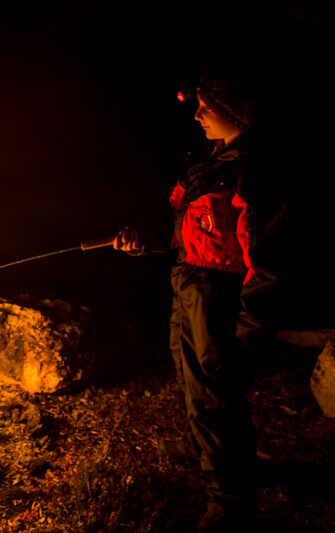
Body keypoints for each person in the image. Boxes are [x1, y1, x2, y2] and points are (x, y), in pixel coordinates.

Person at [114, 64, 264, 531]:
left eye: (205, 108)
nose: (197, 115)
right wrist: (151, 239)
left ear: (232, 111)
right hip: (190, 282)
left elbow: (269, 263)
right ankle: (204, 449)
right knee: (189, 374)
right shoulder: (211, 157)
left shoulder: (256, 172)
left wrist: (248, 327)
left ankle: (228, 501)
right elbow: (189, 224)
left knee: (215, 393)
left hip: (219, 294)